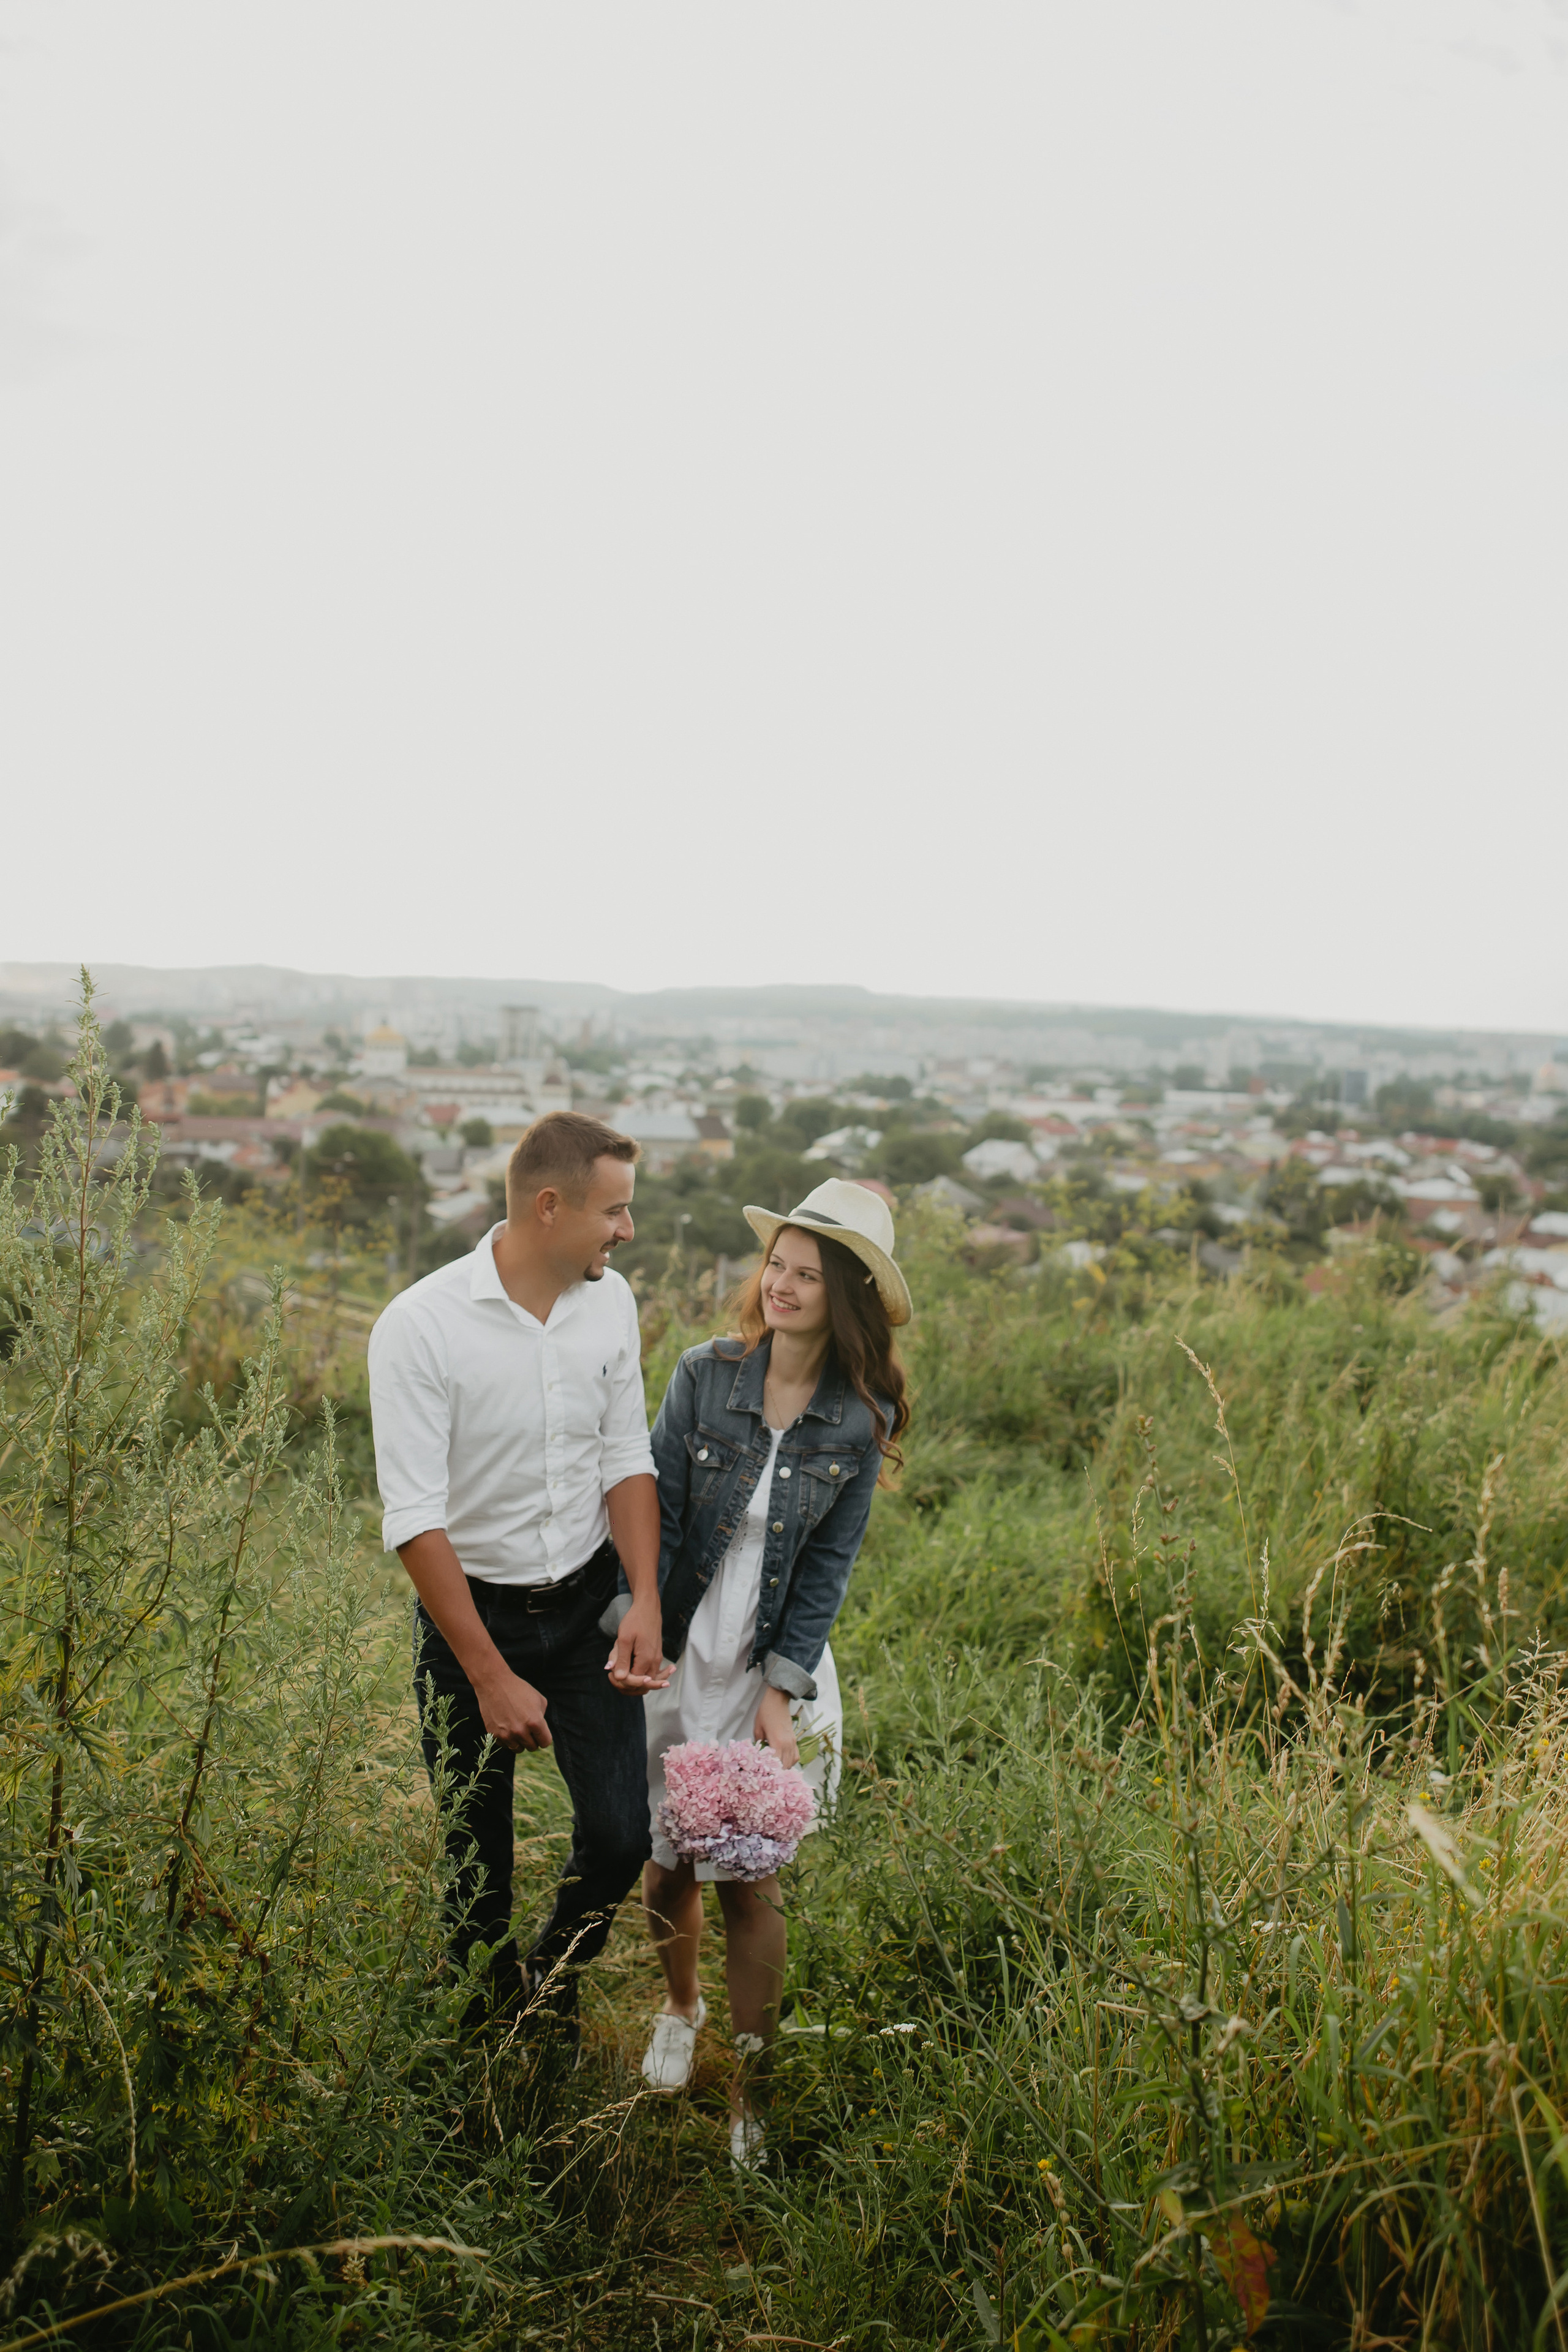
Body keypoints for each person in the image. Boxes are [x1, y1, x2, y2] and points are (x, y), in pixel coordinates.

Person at [368, 1110, 669, 2048]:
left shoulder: (609, 1302)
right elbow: (416, 1517)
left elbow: (625, 1455)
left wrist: (646, 1600)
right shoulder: (419, 1326)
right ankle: (485, 2038)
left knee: (623, 1834)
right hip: (472, 1625)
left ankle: (551, 1984)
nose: (626, 1231)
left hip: (586, 1609)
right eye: (614, 1211)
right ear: (550, 1206)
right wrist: (489, 1672)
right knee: (475, 1874)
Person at [627, 1177, 911, 2165]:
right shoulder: (706, 1376)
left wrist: (779, 1695)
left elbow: (829, 1567)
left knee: (750, 1881)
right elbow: (654, 1512)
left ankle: (755, 2087)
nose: (782, 1286)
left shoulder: (858, 1420)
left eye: (807, 1274)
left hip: (771, 1665)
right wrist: (640, 1624)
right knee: (667, 1860)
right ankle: (679, 2005)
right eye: (776, 1266)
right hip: (680, 1648)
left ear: (846, 1295)